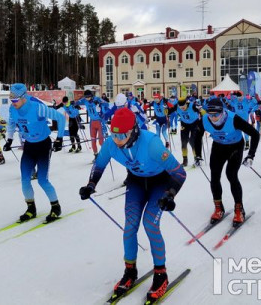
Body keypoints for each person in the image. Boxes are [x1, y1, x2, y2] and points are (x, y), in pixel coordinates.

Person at [79, 108, 186, 304]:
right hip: (136, 183)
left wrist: (170, 194)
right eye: (114, 134)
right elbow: (99, 164)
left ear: (134, 131)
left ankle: (161, 274)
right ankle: (130, 271)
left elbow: (179, 173)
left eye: (123, 135)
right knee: (130, 226)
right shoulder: (111, 143)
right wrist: (91, 185)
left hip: (159, 183)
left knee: (150, 224)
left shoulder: (151, 143)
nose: (118, 140)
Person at [3, 83, 66, 222]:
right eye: (10, 99)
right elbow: (12, 124)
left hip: (43, 146)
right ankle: (31, 208)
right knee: (25, 180)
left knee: (42, 180)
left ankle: (56, 207)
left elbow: (61, 118)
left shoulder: (38, 108)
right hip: (29, 147)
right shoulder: (12, 109)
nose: (12, 102)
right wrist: (9, 140)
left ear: (24, 97)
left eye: (14, 100)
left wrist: (60, 138)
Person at [203, 99, 259, 227]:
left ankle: (239, 209)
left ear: (222, 112)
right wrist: (198, 155)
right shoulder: (205, 119)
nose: (213, 118)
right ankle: (218, 207)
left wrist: (251, 155)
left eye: (216, 115)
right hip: (218, 147)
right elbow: (197, 133)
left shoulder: (234, 119)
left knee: (231, 175)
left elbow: (255, 134)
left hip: (235, 147)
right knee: (214, 177)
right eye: (210, 115)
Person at [76, 90, 108, 158]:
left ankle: (104, 155)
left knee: (101, 141)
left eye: (88, 97)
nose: (87, 99)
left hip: (100, 121)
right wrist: (73, 104)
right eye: (86, 97)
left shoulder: (97, 99)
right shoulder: (84, 100)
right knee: (93, 141)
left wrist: (100, 104)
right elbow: (77, 102)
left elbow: (107, 104)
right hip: (92, 122)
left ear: (91, 96)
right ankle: (96, 155)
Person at [176, 98, 204, 166]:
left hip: (194, 123)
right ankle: (185, 160)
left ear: (186, 104)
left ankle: (197, 158)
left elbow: (203, 112)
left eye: (183, 107)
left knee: (193, 141)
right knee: (184, 142)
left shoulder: (192, 106)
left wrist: (201, 111)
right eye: (181, 107)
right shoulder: (177, 107)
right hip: (184, 124)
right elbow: (169, 110)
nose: (182, 108)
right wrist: (166, 110)